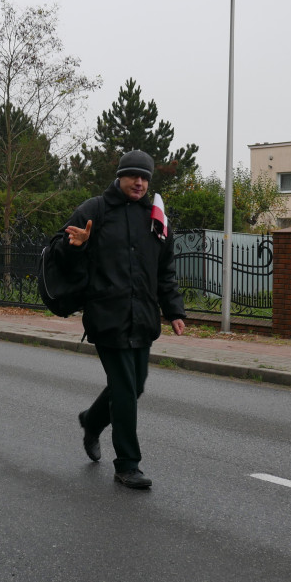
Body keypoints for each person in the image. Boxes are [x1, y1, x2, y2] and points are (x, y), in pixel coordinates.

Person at [51, 150, 186, 489]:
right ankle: (128, 464)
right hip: (106, 315)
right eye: (132, 176)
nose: (139, 182)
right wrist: (76, 245)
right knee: (125, 389)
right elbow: (59, 254)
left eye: (145, 178)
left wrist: (173, 310)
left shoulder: (155, 218)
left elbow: (165, 269)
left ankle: (92, 421)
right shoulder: (94, 210)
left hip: (142, 318)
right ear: (120, 177)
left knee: (134, 384)